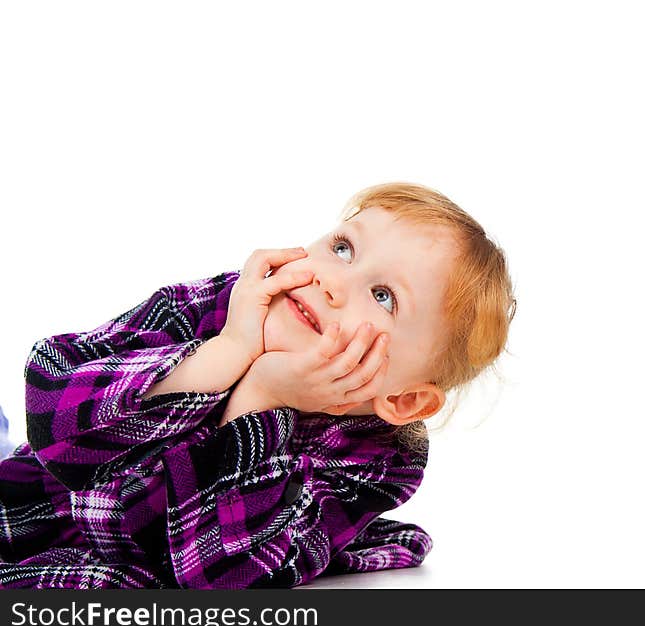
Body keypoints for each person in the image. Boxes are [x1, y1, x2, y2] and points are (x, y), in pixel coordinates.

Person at [0, 182, 516, 588]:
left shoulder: (376, 463)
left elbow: (215, 580)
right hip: (25, 504)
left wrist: (262, 398)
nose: (332, 283)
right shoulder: (231, 305)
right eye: (342, 248)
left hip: (101, 568)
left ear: (404, 400)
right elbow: (50, 406)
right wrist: (227, 353)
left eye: (383, 296)